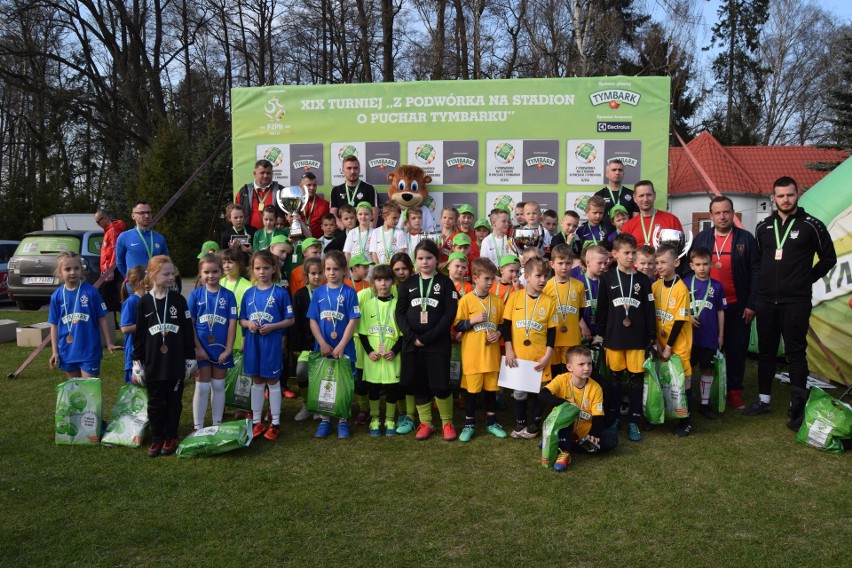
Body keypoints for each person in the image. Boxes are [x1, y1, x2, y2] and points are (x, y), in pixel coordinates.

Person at [745, 176, 837, 431]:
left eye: (790, 195)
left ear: (797, 195)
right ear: (773, 198)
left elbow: (828, 259)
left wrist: (805, 280)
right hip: (766, 301)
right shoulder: (763, 227)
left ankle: (797, 407)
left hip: (796, 301)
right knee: (766, 351)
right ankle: (764, 399)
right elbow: (761, 262)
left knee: (795, 352)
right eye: (781, 196)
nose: (785, 200)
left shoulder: (812, 226)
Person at [689, 196, 759, 410]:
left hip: (737, 304)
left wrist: (752, 303)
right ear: (711, 216)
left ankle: (734, 391)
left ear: (733, 213)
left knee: (737, 349)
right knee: (704, 350)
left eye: (726, 212)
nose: (722, 216)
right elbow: (687, 271)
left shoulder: (746, 239)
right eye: (717, 213)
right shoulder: (702, 238)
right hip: (706, 308)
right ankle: (698, 393)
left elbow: (757, 273)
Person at [395, 239, 459, 441]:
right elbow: (399, 314)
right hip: (412, 344)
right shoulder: (409, 284)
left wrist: (428, 337)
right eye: (421, 258)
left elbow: (449, 314)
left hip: (437, 343)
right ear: (416, 260)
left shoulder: (445, 283)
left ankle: (447, 423)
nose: (424, 262)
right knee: (418, 384)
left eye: (429, 258)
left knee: (440, 384)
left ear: (437, 260)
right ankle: (426, 423)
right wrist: (412, 337)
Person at [594, 233, 655, 442]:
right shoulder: (607, 278)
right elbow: (601, 310)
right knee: (615, 380)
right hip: (614, 338)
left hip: (637, 339)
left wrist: (651, 336)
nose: (630, 257)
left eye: (633, 252)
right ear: (615, 254)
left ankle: (634, 421)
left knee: (636, 379)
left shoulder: (643, 280)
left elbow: (649, 310)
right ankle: (613, 419)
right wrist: (599, 334)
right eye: (626, 253)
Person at [133, 255, 195, 457]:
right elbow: (139, 335)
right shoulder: (144, 303)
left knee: (174, 401)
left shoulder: (178, 300)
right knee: (156, 401)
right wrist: (137, 361)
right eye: (166, 273)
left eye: (172, 273)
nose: (171, 277)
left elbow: (187, 330)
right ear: (152, 275)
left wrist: (191, 358)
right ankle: (157, 437)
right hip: (154, 363)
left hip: (175, 363)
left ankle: (171, 436)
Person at [240, 250, 295, 441]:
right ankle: (256, 422)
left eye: (266, 268)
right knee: (256, 381)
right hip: (254, 343)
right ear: (252, 270)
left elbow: (290, 320)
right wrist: (249, 325)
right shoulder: (248, 293)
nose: (261, 272)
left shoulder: (281, 293)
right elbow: (242, 320)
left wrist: (272, 326)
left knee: (272, 382)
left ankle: (276, 422)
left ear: (274, 269)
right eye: (257, 268)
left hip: (271, 343)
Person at [307, 250, 361, 439]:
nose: (331, 273)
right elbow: (312, 320)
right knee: (324, 382)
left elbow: (353, 320)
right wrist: (321, 342)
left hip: (343, 347)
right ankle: (325, 420)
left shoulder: (349, 292)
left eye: (336, 269)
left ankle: (343, 420)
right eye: (328, 269)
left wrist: (341, 345)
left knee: (344, 383)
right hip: (323, 347)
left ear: (344, 271)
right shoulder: (319, 292)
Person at [538, 345, 617, 471]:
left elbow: (598, 415)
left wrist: (594, 433)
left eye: (589, 364)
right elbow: (542, 395)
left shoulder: (596, 387)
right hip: (564, 426)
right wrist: (565, 403)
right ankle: (565, 452)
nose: (586, 368)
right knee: (566, 413)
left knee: (611, 441)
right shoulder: (561, 379)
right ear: (569, 367)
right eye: (581, 364)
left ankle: (556, 443)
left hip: (584, 433)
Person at [453, 257, 507, 442]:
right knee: (472, 392)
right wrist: (473, 320)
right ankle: (469, 425)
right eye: (487, 279)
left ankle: (491, 422)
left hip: (491, 355)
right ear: (475, 278)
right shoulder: (466, 300)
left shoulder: (497, 300)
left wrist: (499, 334)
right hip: (473, 356)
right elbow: (458, 326)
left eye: (493, 279)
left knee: (491, 390)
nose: (491, 282)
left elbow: (503, 324)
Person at [502, 256, 557, 439]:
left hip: (540, 356)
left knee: (541, 391)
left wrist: (548, 355)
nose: (543, 280)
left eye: (545, 276)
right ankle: (520, 423)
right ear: (527, 276)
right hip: (518, 355)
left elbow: (552, 333)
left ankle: (534, 422)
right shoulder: (515, 297)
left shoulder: (549, 302)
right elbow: (506, 326)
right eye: (538, 276)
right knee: (519, 391)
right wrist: (508, 349)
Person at [48, 252, 119, 378]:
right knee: (76, 391)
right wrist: (55, 352)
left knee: (90, 390)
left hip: (89, 351)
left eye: (76, 268)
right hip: (67, 351)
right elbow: (54, 325)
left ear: (82, 270)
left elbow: (102, 319)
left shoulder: (91, 292)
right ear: (60, 272)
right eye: (67, 269)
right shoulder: (56, 297)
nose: (72, 272)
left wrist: (109, 342)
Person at [188, 254, 237, 431]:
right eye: (206, 272)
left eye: (215, 271)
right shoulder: (195, 295)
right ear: (200, 273)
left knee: (218, 385)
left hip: (221, 349)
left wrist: (228, 349)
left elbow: (232, 323)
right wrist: (197, 347)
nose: (211, 275)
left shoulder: (228, 296)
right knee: (201, 388)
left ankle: (217, 425)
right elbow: (190, 323)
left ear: (221, 272)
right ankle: (198, 426)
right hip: (202, 349)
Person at [653, 244, 694, 437]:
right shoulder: (655, 286)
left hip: (678, 345)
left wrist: (668, 346)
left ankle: (686, 422)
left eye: (663, 262)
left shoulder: (681, 289)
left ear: (676, 262)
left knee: (683, 382)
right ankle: (666, 415)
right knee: (666, 381)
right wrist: (658, 344)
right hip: (661, 345)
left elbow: (679, 321)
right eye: (657, 262)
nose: (659, 266)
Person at [357, 264, 403, 437]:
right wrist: (369, 351)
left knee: (392, 388)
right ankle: (375, 418)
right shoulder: (368, 305)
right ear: (373, 282)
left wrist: (395, 351)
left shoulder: (398, 305)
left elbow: (403, 335)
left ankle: (390, 419)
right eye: (379, 279)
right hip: (373, 357)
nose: (383, 283)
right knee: (373, 387)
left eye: (386, 279)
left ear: (392, 281)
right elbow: (362, 333)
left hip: (392, 356)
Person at [684, 247, 726, 419]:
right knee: (688, 368)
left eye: (705, 264)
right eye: (698, 264)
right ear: (691, 265)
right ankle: (685, 401)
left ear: (711, 265)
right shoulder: (685, 283)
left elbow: (721, 311)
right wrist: (688, 317)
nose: (702, 268)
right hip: (689, 338)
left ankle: (704, 403)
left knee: (706, 368)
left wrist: (721, 335)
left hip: (709, 336)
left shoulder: (717, 286)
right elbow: (678, 307)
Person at [544, 244, 588, 378]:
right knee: (555, 373)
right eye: (560, 263)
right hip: (553, 339)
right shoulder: (546, 286)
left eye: (568, 263)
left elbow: (580, 311)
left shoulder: (579, 286)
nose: (564, 267)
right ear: (552, 264)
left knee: (570, 373)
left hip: (572, 338)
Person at [291, 257, 324, 422]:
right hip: (305, 344)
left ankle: (318, 406)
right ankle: (307, 404)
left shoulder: (328, 292)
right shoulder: (300, 295)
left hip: (325, 345)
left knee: (320, 375)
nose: (316, 277)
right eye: (313, 273)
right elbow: (295, 320)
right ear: (306, 275)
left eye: (319, 273)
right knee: (301, 372)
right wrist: (295, 344)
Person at [114, 201, 169, 282]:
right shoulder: (124, 237)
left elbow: (165, 261)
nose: (146, 216)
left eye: (148, 212)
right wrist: (129, 278)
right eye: (142, 213)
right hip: (135, 286)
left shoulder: (159, 238)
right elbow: (119, 262)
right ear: (133, 216)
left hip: (155, 284)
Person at [621, 180, 683, 248]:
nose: (645, 199)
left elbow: (679, 249)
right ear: (635, 198)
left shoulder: (671, 220)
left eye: (649, 195)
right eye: (641, 196)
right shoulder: (628, 226)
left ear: (654, 196)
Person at [329, 155, 378, 230]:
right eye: (349, 168)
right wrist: (345, 230)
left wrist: (368, 234)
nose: (352, 171)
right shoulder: (336, 190)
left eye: (355, 168)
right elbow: (333, 215)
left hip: (363, 233)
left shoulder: (369, 188)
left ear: (359, 169)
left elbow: (374, 215)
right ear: (343, 170)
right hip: (343, 233)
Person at [236, 159, 283, 231]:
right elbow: (236, 212)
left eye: (268, 173)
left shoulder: (281, 190)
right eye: (262, 173)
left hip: (274, 233)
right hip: (250, 234)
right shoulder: (244, 191)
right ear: (254, 173)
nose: (265, 176)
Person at [94, 208, 126, 314]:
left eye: (98, 221)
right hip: (107, 269)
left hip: (112, 270)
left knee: (105, 296)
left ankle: (123, 312)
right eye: (96, 222)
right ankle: (114, 322)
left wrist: (110, 269)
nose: (98, 224)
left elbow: (115, 249)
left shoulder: (112, 230)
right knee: (107, 296)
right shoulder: (108, 231)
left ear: (106, 218)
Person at [369, 201, 406, 265]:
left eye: (398, 218)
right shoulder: (376, 232)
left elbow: (401, 253)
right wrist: (378, 268)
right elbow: (374, 253)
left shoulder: (400, 232)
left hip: (394, 269)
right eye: (394, 218)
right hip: (380, 270)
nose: (397, 221)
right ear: (385, 217)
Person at [297, 172, 331, 237]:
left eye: (314, 185)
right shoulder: (294, 204)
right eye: (309, 185)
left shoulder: (325, 204)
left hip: (318, 242)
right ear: (301, 186)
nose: (312, 188)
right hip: (299, 241)